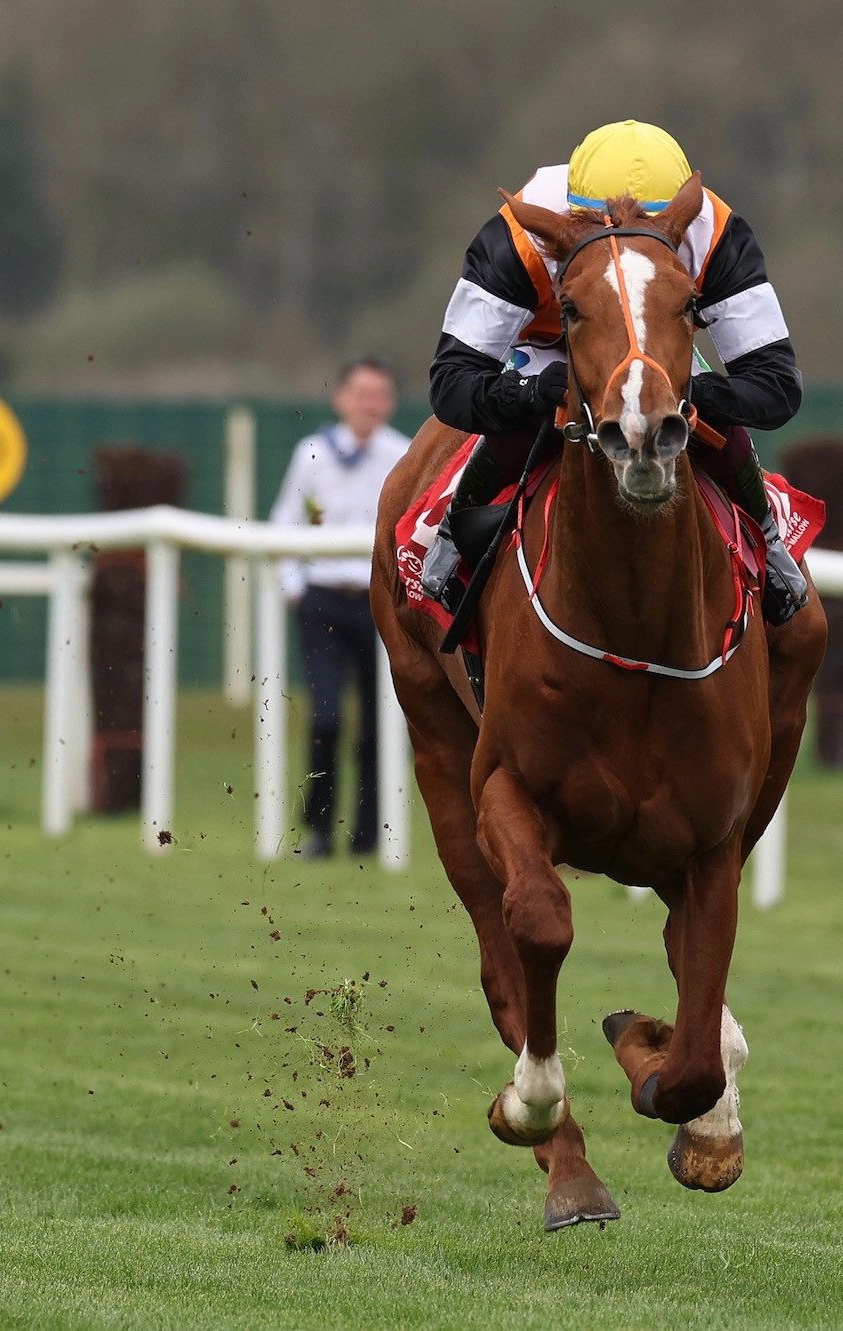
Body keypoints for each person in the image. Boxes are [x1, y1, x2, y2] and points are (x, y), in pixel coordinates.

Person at [419, 119, 809, 626]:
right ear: (571, 212)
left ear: (678, 220)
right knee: (529, 421)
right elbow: (451, 384)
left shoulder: (716, 230)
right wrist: (537, 394)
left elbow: (776, 387)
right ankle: (452, 533)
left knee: (714, 423)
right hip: (547, 345)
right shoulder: (517, 239)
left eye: (648, 237)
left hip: (655, 341)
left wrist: (690, 393)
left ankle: (767, 537)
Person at [268, 357, 412, 858]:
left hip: (380, 607)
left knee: (379, 722)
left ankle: (370, 835)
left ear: (389, 403)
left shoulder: (402, 454)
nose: (368, 404)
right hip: (324, 602)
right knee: (326, 716)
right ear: (341, 398)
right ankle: (319, 829)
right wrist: (295, 585)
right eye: (360, 393)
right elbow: (285, 523)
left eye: (378, 395)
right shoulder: (313, 454)